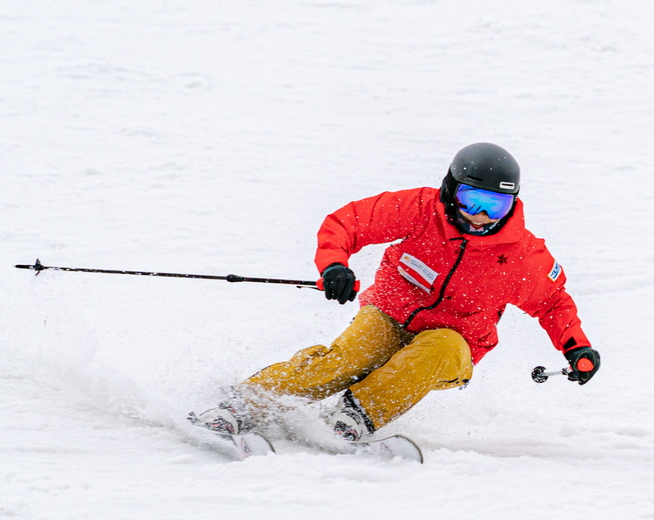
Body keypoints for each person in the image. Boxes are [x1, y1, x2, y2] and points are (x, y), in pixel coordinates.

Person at [194, 142, 600, 442]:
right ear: (449, 190)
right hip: (389, 313)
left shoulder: (522, 254)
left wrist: (576, 348)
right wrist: (335, 265)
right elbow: (348, 223)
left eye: (494, 207)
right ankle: (243, 403)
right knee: (352, 356)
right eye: (471, 200)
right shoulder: (420, 211)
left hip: (455, 342)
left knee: (437, 348)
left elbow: (552, 302)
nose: (480, 217)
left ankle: (353, 418)